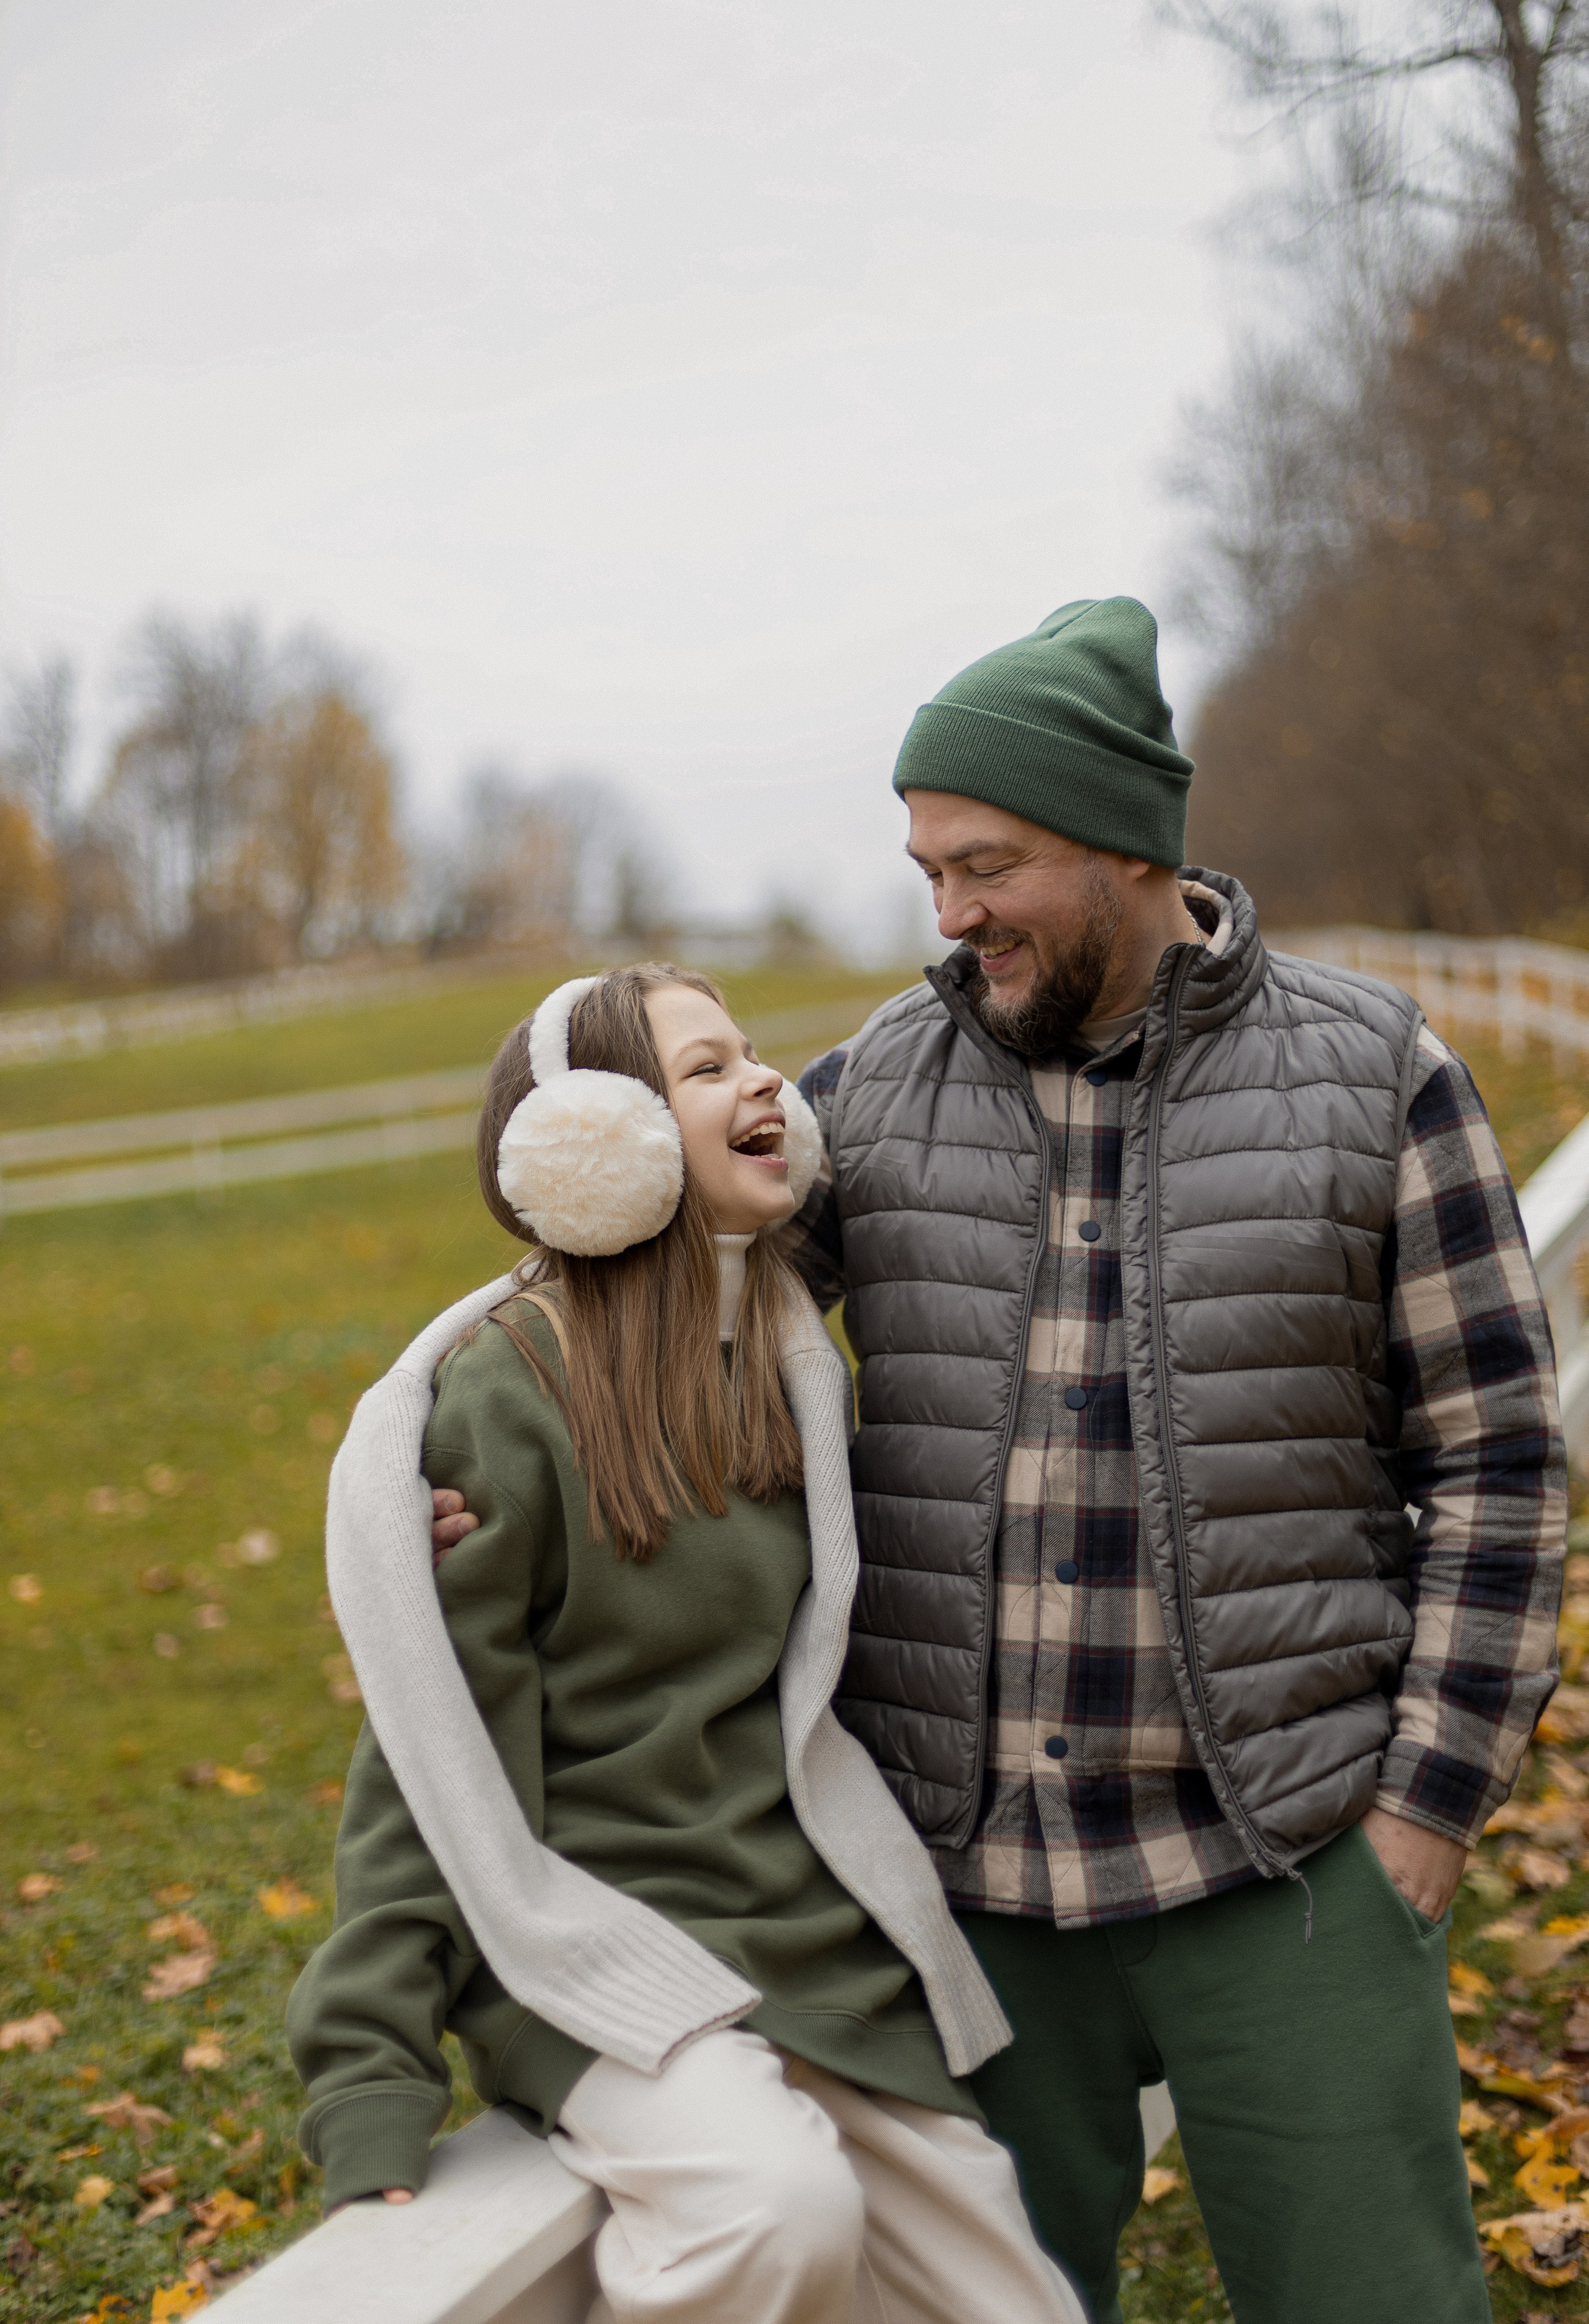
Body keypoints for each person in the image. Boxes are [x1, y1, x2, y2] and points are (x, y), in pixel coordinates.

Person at [420, 599, 1566, 2323]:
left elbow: (1499, 1464)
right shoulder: (867, 1094)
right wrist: (471, 1461)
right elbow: (667, 1316)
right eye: (925, 869)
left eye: (986, 864)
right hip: (964, 1892)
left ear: (1126, 845)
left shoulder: (1377, 1077)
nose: (949, 914)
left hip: (1297, 1859)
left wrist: (1427, 1806)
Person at [294, 962, 1086, 2324]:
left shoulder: (784, 1366)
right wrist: (367, 2082)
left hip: (801, 1937)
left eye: (751, 1054)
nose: (765, 1081)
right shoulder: (505, 1395)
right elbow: (429, 1753)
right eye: (706, 1068)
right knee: (778, 2209)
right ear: (596, 1142)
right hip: (587, 1946)